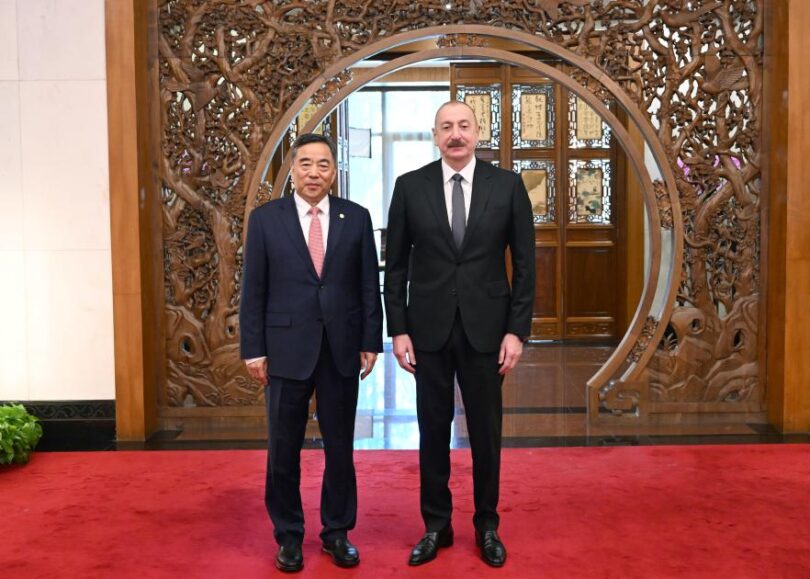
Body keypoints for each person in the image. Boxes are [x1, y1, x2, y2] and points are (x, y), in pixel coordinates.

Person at [384, 101, 535, 568]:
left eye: (463, 126)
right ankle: (436, 525)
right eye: (446, 127)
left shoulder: (507, 186)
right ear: (435, 135)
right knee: (432, 431)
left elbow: (525, 266)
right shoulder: (410, 187)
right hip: (427, 331)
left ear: (477, 132)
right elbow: (396, 267)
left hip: (487, 331)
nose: (455, 134)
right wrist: (398, 329)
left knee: (486, 433)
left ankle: (487, 525)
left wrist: (516, 332)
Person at [240, 133, 383, 572]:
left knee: (340, 447)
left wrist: (370, 340)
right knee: (283, 449)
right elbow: (254, 289)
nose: (314, 173)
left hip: (341, 348)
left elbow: (367, 285)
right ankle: (288, 535)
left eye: (323, 164)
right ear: (292, 170)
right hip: (285, 349)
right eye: (305, 164)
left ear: (334, 172)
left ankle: (337, 532)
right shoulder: (266, 220)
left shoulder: (355, 218)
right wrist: (253, 350)